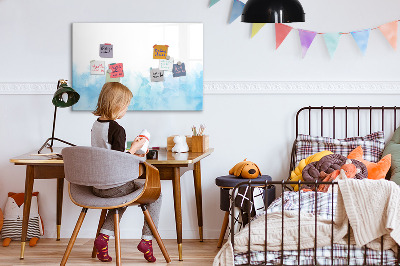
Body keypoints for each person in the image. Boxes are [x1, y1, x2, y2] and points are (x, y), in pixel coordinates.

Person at [91, 82, 161, 263]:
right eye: (126, 105)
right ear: (117, 104)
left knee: (121, 197)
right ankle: (147, 240)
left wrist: (130, 149)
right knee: (156, 194)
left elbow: (108, 154)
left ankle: (103, 238)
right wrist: (136, 148)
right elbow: (119, 161)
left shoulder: (96, 125)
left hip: (97, 186)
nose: (126, 109)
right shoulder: (117, 129)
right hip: (114, 186)